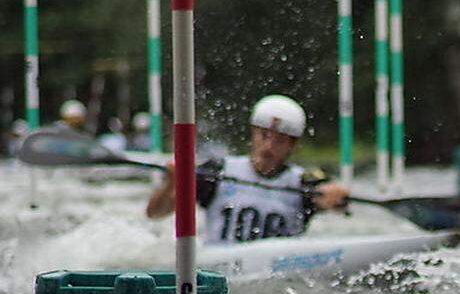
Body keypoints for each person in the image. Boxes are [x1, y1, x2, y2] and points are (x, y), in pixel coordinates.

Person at [146, 94, 350, 243]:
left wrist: (335, 196)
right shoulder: (218, 171)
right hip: (222, 268)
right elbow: (155, 213)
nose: (269, 146)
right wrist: (172, 182)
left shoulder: (303, 182)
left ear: (292, 145)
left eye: (279, 140)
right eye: (264, 135)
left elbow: (333, 198)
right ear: (253, 133)